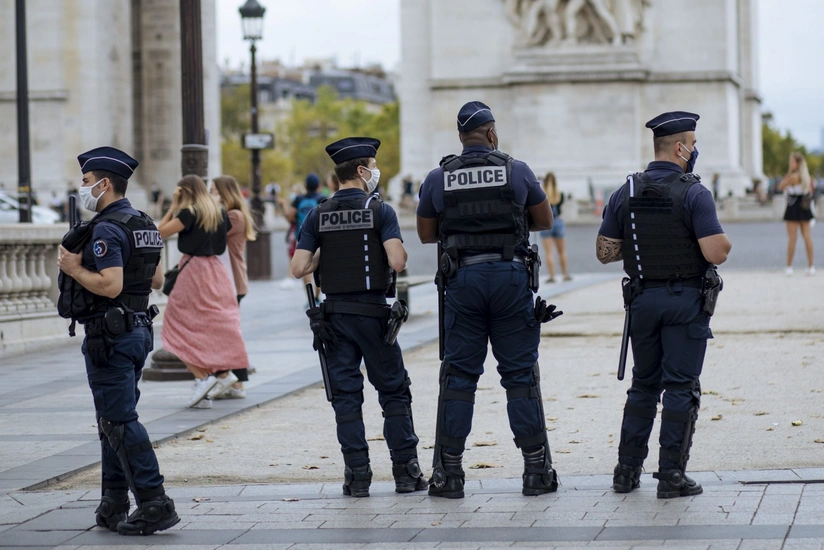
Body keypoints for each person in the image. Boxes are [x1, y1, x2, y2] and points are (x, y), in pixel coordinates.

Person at [417, 101, 559, 499]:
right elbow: (545, 221)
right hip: (510, 276)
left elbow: (427, 234)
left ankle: (449, 474)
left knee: (459, 377)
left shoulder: (438, 177)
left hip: (462, 279)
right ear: (492, 134)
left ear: (461, 138)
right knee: (519, 374)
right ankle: (535, 471)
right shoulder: (517, 170)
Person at [596, 111, 732, 499]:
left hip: (642, 301)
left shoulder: (627, 191)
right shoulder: (694, 192)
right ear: (679, 148)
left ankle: (626, 471)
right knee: (680, 387)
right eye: (692, 144)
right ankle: (671, 475)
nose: (694, 151)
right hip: (684, 301)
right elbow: (715, 251)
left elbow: (605, 252)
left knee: (643, 385)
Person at [290, 137, 427, 498]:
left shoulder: (318, 213)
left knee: (346, 398)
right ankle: (406, 472)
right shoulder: (380, 211)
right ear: (362, 171)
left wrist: (325, 253)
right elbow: (398, 261)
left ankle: (357, 475)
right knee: (394, 393)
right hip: (374, 317)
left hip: (334, 318)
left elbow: (298, 267)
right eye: (374, 166)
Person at [56, 146, 179, 536]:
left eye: (88, 182)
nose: (84, 188)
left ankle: (154, 502)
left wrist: (75, 268)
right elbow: (157, 280)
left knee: (119, 420)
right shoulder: (143, 222)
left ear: (105, 184)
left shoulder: (108, 228)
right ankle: (113, 502)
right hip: (138, 328)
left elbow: (110, 285)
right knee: (112, 417)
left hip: (111, 334)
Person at [157, 175, 250, 409]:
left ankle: (202, 378)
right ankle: (217, 377)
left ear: (185, 191)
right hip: (216, 271)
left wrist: (173, 205)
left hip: (193, 271)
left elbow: (159, 233)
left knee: (174, 327)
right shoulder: (218, 212)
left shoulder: (188, 212)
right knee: (208, 326)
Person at [209, 175, 258, 399]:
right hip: (225, 281)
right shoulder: (229, 214)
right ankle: (232, 380)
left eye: (214, 191)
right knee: (225, 332)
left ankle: (235, 381)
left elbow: (209, 234)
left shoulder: (233, 216)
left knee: (226, 333)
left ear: (224, 193)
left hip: (231, 281)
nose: (210, 196)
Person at [280, 174, 326, 303]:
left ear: (306, 185)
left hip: (303, 236)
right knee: (319, 266)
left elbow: (290, 218)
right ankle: (317, 296)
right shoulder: (322, 199)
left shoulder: (299, 199)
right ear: (318, 186)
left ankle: (310, 298)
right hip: (320, 236)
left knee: (305, 268)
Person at [779, 151, 815, 276]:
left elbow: (781, 186)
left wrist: (788, 173)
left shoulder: (793, 177)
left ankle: (789, 266)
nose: (790, 163)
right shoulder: (806, 177)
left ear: (797, 163)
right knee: (807, 237)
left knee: (792, 238)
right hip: (804, 207)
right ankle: (811, 266)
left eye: (792, 161)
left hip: (794, 207)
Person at [539, 173, 571, 282]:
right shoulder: (559, 194)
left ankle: (552, 276)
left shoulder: (542, 194)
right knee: (562, 251)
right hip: (558, 221)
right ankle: (565, 274)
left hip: (545, 223)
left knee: (549, 252)